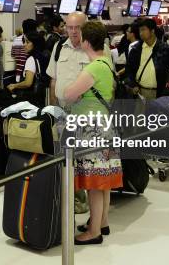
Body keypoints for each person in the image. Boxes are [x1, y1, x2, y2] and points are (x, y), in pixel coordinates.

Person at [63, 21, 122, 245]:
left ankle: (94, 231)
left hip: (91, 129)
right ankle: (102, 222)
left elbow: (69, 94)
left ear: (87, 41)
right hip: (105, 125)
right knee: (103, 180)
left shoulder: (93, 67)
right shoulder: (106, 62)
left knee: (94, 184)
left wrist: (73, 92)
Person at [46, 11, 91, 214]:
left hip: (85, 113)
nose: (73, 32)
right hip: (63, 111)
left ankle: (81, 202)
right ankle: (67, 196)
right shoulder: (58, 48)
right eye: (69, 27)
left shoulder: (95, 48)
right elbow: (53, 79)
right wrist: (53, 107)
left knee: (83, 158)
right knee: (64, 155)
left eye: (77, 27)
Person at [125, 18, 169, 100]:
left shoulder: (165, 49)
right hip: (140, 92)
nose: (141, 33)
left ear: (152, 31)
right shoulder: (136, 49)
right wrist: (133, 84)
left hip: (160, 93)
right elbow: (129, 69)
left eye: (143, 30)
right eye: (140, 31)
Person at [7, 31, 49, 107]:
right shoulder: (43, 56)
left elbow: (28, 83)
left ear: (35, 44)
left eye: (27, 42)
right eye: (24, 42)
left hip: (30, 100)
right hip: (41, 98)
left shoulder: (31, 59)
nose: (24, 45)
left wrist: (14, 85)